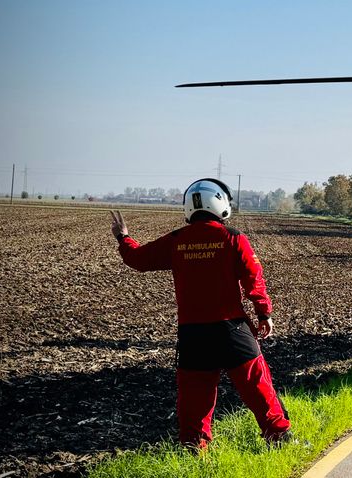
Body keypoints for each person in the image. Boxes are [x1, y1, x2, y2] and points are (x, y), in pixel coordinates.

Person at [109, 178, 291, 449]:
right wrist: (264, 313)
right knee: (256, 385)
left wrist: (124, 238)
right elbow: (254, 279)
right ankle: (279, 437)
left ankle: (194, 448)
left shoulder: (177, 241)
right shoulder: (233, 238)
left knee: (195, 395)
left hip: (193, 334)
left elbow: (138, 259)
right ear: (220, 203)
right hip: (232, 329)